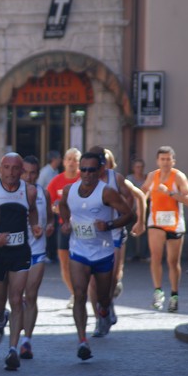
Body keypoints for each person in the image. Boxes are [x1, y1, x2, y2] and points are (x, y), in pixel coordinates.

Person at [59, 152, 134, 361]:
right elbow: (63, 205)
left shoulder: (107, 193)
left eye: (92, 170)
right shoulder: (69, 190)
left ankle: (104, 310)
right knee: (80, 294)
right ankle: (83, 341)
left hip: (103, 251)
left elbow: (130, 215)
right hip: (79, 251)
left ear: (100, 170)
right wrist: (65, 222)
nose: (87, 174)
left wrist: (109, 225)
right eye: (83, 170)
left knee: (103, 297)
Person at [0, 153, 41, 371]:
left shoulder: (29, 191)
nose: (11, 172)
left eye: (15, 168)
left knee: (16, 299)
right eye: (7, 167)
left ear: (21, 170)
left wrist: (35, 225)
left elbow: (32, 212)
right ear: (0, 168)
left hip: (20, 252)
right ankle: (0, 317)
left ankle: (13, 349)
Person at [85, 147, 146, 337]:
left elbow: (135, 197)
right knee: (93, 281)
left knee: (110, 278)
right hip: (93, 236)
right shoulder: (85, 179)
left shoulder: (116, 178)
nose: (92, 171)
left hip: (114, 233)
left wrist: (136, 219)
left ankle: (107, 303)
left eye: (97, 167)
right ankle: (98, 319)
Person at [140, 146, 188, 312]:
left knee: (172, 261)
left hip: (174, 223)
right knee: (155, 257)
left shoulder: (178, 177)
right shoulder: (152, 176)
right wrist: (140, 211)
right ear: (157, 161)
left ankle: (174, 295)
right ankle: (158, 292)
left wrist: (171, 193)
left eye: (168, 159)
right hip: (156, 221)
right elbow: (142, 194)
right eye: (162, 159)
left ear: (173, 161)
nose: (165, 162)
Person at [17, 155, 54, 360]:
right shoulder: (12, 193)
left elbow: (49, 218)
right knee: (15, 299)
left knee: (31, 296)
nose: (29, 177)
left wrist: (49, 227)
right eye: (25, 172)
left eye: (33, 173)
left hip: (37, 251)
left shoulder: (44, 193)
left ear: (38, 174)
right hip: (15, 253)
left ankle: (26, 342)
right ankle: (9, 319)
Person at [47, 147, 81, 308]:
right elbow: (49, 202)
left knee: (84, 261)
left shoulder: (84, 178)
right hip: (64, 226)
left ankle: (85, 291)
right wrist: (55, 209)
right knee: (65, 262)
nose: (72, 162)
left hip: (82, 226)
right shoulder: (57, 181)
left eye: (75, 159)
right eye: (69, 159)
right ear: (64, 162)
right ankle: (74, 293)